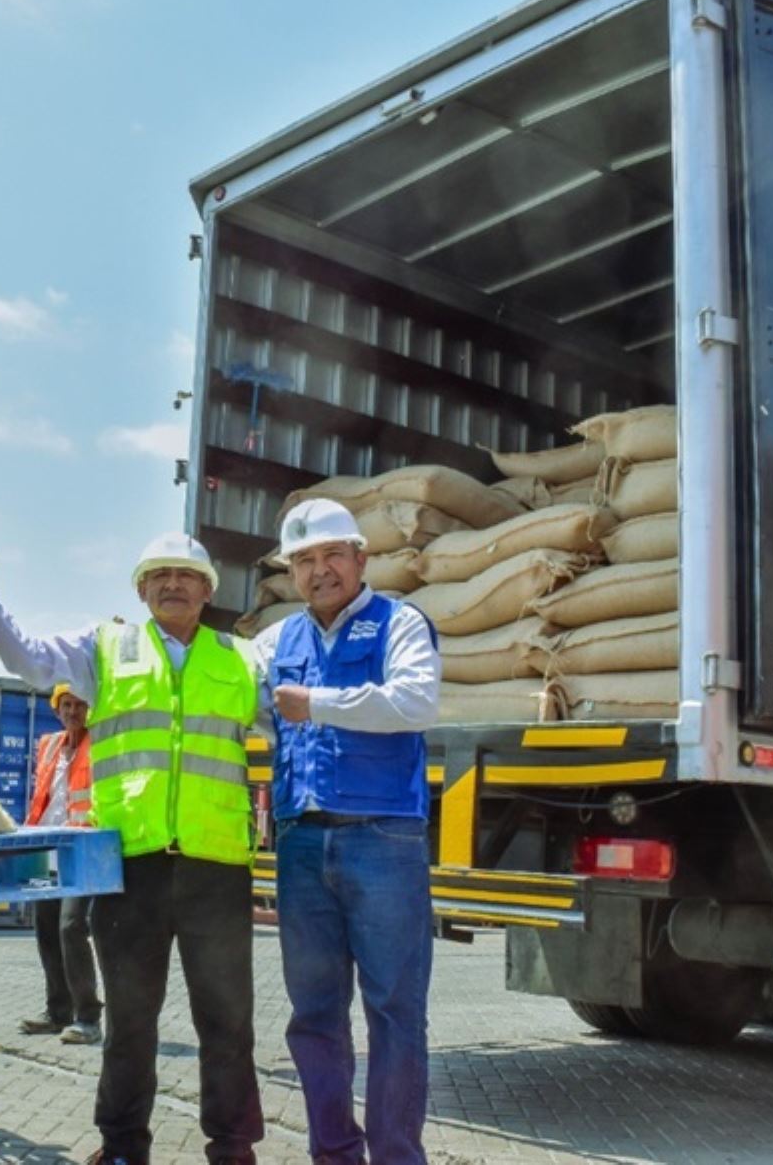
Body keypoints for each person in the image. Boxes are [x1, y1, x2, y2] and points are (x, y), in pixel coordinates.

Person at [0, 532, 263, 1165]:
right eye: (157, 575)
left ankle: (233, 1147)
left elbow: (300, 714)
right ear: (139, 590)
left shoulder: (240, 659)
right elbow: (26, 659)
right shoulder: (104, 650)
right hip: (132, 866)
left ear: (208, 590)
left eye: (186, 575)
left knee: (228, 1025)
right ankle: (124, 1146)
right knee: (131, 1022)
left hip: (216, 867)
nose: (172, 584)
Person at [256, 498, 442, 1165]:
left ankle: (396, 1157)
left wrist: (320, 705)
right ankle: (334, 1155)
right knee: (314, 1015)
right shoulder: (276, 642)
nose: (319, 570)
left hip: (383, 839)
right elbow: (226, 701)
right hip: (302, 842)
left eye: (333, 554)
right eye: (304, 560)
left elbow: (418, 700)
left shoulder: (400, 623)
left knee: (394, 1011)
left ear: (362, 559)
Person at [18, 683, 104, 1046]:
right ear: (57, 709)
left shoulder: (100, 744)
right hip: (46, 845)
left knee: (71, 926)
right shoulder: (50, 744)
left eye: (80, 705)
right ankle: (57, 1012)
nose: (73, 712)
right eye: (66, 705)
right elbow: (44, 796)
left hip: (80, 849)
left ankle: (88, 1017)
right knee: (46, 928)